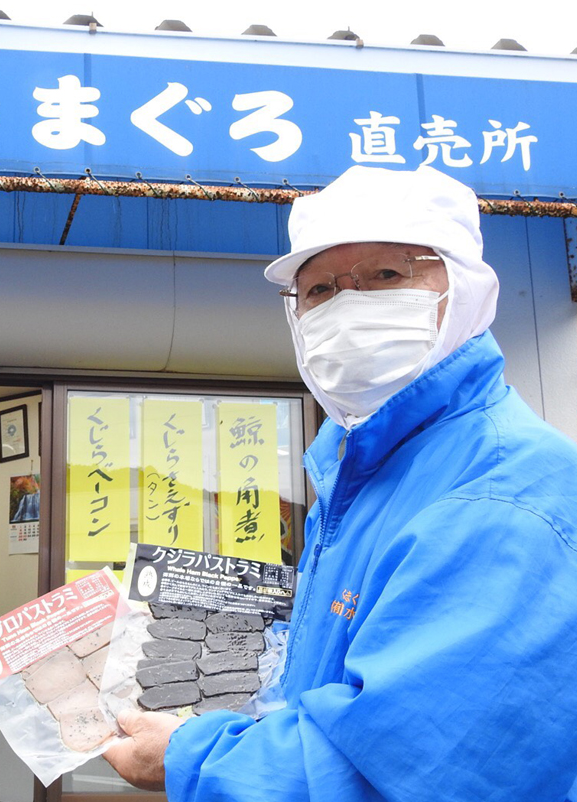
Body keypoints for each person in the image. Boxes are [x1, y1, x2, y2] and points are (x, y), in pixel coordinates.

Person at [103, 165, 577, 801]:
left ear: (463, 288)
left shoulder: (500, 494)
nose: (349, 304)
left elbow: (405, 769)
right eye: (321, 289)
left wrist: (190, 756)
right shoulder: (367, 471)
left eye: (386, 275)